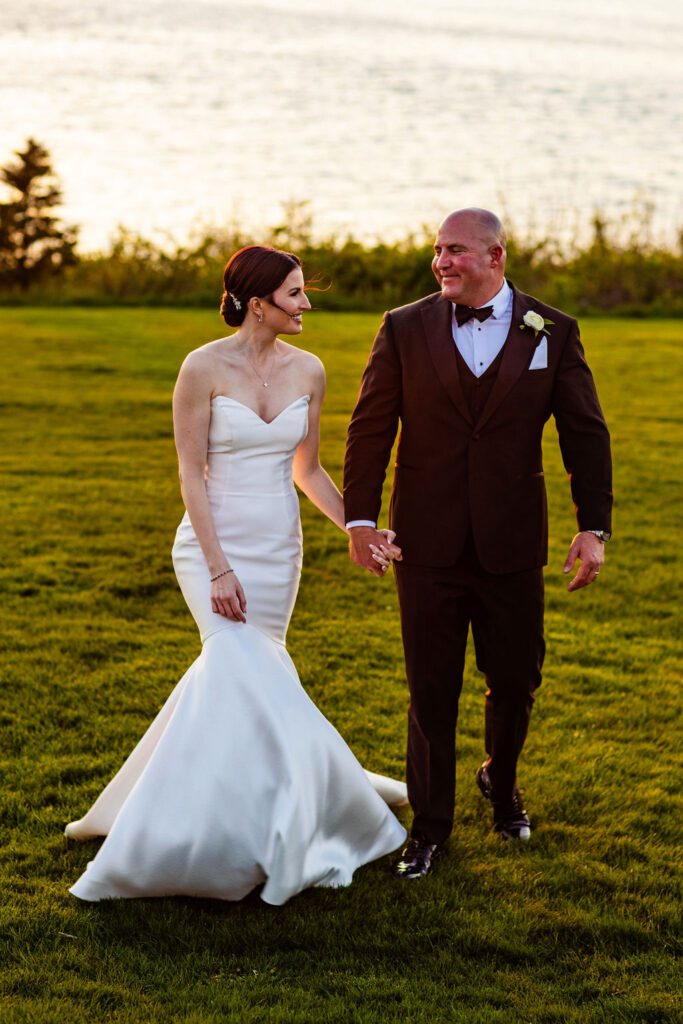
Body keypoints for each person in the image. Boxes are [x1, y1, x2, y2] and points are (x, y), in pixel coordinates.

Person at [65, 245, 407, 905]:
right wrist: (218, 567)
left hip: (278, 547)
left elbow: (306, 471)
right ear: (258, 303)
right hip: (210, 545)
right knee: (237, 669)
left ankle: (239, 815)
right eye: (296, 294)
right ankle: (206, 833)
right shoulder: (201, 367)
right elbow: (190, 474)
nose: (307, 305)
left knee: (249, 678)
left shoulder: (309, 371)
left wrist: (357, 527)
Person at [343, 208, 612, 879]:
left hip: (512, 540)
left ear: (495, 256)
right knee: (430, 687)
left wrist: (592, 526)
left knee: (516, 677)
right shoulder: (402, 328)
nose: (441, 263)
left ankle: (501, 779)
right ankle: (429, 828)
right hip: (424, 541)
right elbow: (371, 427)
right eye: (437, 251)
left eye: (455, 251)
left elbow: (584, 432)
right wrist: (359, 521)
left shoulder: (550, 329)